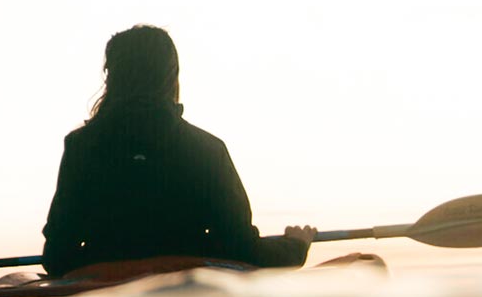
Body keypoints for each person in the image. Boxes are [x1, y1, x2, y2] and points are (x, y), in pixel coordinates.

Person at [39, 24, 312, 277]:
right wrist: (295, 248)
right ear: (172, 77)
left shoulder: (81, 148)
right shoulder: (205, 150)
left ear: (112, 76)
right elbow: (241, 250)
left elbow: (57, 258)